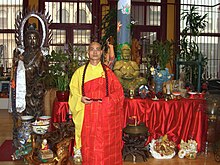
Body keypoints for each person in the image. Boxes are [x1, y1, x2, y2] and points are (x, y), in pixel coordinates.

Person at [68, 42, 124, 165]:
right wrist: (80, 99)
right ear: (88, 53)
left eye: (97, 49)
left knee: (105, 146)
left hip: (105, 116)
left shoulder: (108, 72)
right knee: (90, 145)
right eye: (92, 49)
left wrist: (106, 102)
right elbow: (73, 92)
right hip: (88, 115)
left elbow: (119, 93)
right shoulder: (80, 73)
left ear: (101, 52)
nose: (94, 52)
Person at [13, 23, 47, 117]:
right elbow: (18, 69)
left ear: (38, 40)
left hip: (36, 88)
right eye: (29, 38)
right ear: (25, 40)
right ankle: (26, 126)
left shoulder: (39, 54)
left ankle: (38, 127)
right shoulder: (24, 54)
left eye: (34, 38)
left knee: (37, 111)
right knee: (27, 111)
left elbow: (42, 72)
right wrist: (17, 60)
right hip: (25, 87)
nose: (32, 41)